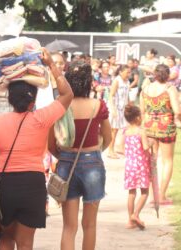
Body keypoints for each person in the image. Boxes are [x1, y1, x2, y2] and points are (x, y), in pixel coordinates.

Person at [0, 48, 73, 250]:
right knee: (25, 243)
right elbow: (67, 94)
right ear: (33, 100)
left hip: (5, 184)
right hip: (33, 183)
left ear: (11, 99)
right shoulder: (41, 118)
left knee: (5, 238)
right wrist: (51, 65)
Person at [48, 61, 112, 250]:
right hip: (92, 163)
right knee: (90, 224)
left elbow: (50, 144)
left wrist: (63, 155)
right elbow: (108, 138)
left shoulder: (60, 106)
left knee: (69, 226)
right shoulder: (98, 105)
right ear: (89, 81)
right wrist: (94, 153)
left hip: (66, 163)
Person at [140, 64, 181, 205]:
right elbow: (178, 111)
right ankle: (161, 196)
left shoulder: (146, 88)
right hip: (166, 127)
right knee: (167, 161)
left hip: (149, 127)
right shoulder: (169, 89)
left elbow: (142, 110)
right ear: (167, 75)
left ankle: (152, 195)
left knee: (153, 162)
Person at [118, 104, 151, 230]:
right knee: (145, 192)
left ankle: (129, 221)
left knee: (131, 192)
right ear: (137, 118)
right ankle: (135, 214)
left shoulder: (125, 131)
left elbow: (121, 149)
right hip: (141, 165)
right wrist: (151, 143)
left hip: (130, 166)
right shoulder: (141, 131)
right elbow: (146, 148)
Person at [108, 65, 131, 159]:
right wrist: (113, 109)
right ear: (121, 72)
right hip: (116, 108)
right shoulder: (117, 81)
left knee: (123, 129)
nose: (129, 74)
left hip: (123, 108)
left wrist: (130, 105)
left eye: (130, 72)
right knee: (114, 130)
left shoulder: (127, 81)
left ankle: (120, 148)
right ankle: (110, 150)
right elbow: (111, 95)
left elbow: (127, 95)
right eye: (127, 72)